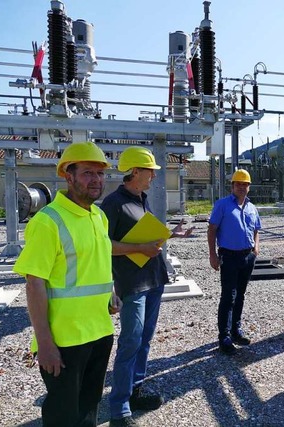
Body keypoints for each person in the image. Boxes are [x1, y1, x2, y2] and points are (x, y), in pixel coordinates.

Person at [13, 141, 120, 427]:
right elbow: (34, 283)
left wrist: (111, 293)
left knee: (88, 408)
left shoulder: (99, 216)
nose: (96, 180)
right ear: (68, 176)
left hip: (99, 332)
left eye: (100, 174)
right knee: (63, 415)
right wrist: (45, 343)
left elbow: (96, 262)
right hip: (64, 341)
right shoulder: (48, 222)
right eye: (87, 173)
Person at [100, 146, 193, 427]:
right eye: (150, 170)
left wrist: (168, 235)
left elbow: (146, 237)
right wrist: (139, 247)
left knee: (145, 340)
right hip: (132, 284)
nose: (153, 175)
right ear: (135, 171)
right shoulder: (113, 203)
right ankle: (119, 410)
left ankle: (135, 391)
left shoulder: (142, 199)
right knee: (130, 342)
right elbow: (104, 246)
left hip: (154, 280)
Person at [207, 169, 261, 355]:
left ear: (249, 187)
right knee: (228, 296)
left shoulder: (252, 208)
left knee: (240, 295)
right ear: (232, 186)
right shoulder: (222, 205)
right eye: (238, 183)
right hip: (229, 256)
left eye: (245, 184)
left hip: (247, 257)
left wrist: (255, 249)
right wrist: (213, 254)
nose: (241, 187)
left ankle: (236, 330)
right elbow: (212, 229)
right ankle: (224, 337)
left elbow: (256, 230)